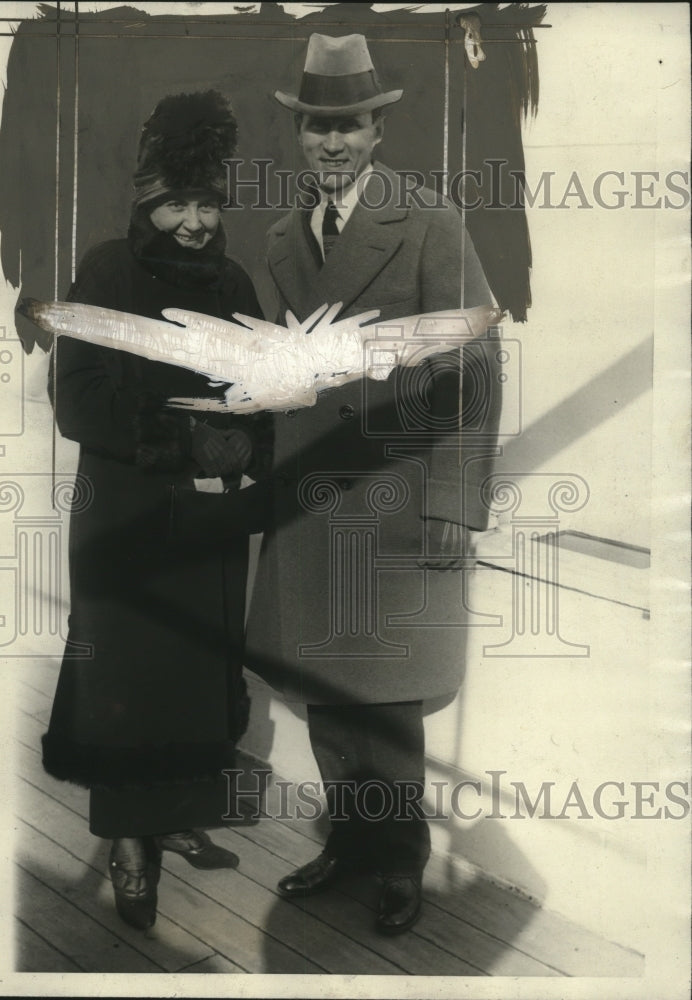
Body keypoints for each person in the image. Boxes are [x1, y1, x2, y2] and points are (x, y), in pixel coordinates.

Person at [246, 34, 502, 934]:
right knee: (324, 687)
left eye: (347, 125)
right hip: (307, 505)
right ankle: (349, 845)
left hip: (395, 505)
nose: (330, 143)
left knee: (386, 697)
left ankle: (398, 862)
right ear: (301, 132)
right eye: (317, 126)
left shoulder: (431, 224)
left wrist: (453, 502)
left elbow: (473, 367)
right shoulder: (281, 235)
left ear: (377, 128)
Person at [38, 91, 271, 930]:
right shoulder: (106, 271)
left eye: (208, 202)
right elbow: (79, 402)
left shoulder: (237, 282)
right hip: (126, 514)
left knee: (196, 668)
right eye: (176, 202)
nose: (194, 221)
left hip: (208, 520)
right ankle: (128, 844)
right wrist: (182, 442)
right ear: (145, 202)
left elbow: (262, 397)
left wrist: (244, 445)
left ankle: (172, 814)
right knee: (127, 674)